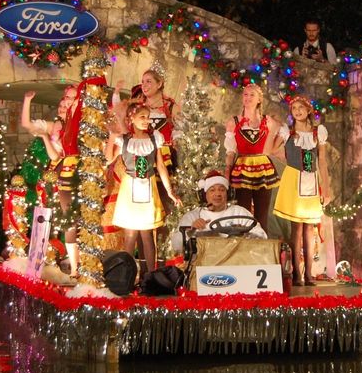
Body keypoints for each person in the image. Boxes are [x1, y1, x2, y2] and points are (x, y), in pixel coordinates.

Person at [106, 101, 181, 274]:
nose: (147, 120)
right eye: (142, 117)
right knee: (130, 235)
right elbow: (108, 159)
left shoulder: (154, 139)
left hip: (148, 188)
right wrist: (112, 138)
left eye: (148, 117)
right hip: (129, 189)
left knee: (147, 235)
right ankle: (127, 275)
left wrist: (170, 191)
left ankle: (150, 275)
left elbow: (161, 166)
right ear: (131, 118)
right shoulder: (124, 141)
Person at [271, 96, 331, 286]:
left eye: (301, 107)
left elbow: (322, 161)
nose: (297, 111)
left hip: (311, 180)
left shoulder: (318, 132)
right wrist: (285, 153)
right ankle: (297, 274)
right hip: (293, 180)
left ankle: (309, 274)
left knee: (310, 228)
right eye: (294, 108)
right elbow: (271, 149)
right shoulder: (287, 132)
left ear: (308, 110)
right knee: (296, 228)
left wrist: (326, 189)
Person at [21, 87, 80, 274]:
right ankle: (43, 263)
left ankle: (75, 267)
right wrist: (27, 101)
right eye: (62, 103)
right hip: (55, 176)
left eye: (70, 100)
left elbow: (58, 155)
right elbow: (27, 125)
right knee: (56, 220)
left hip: (72, 174)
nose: (64, 106)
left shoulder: (78, 124)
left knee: (71, 220)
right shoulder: (55, 125)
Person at [224, 83, 281, 233]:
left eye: (252, 95)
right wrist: (227, 170)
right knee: (243, 214)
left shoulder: (268, 121)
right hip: (242, 169)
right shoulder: (234, 122)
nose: (248, 98)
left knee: (262, 215)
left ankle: (262, 243)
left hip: (263, 169)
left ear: (259, 99)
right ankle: (243, 244)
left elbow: (272, 148)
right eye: (245, 94)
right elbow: (230, 151)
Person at [175, 170, 266, 254]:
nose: (218, 194)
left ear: (228, 194)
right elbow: (176, 246)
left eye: (222, 190)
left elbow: (262, 238)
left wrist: (244, 234)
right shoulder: (192, 216)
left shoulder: (239, 213)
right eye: (212, 190)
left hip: (237, 261)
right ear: (204, 195)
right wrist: (191, 231)